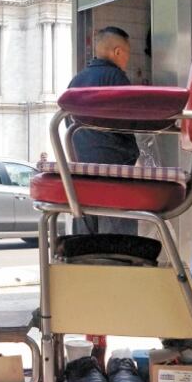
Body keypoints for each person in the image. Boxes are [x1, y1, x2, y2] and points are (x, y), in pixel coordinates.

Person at [68, 26, 139, 235]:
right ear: (117, 52)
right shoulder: (116, 78)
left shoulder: (76, 81)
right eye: (127, 53)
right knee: (117, 242)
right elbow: (132, 122)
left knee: (86, 242)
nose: (127, 59)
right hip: (115, 175)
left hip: (82, 174)